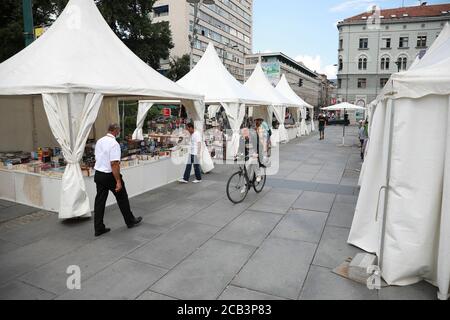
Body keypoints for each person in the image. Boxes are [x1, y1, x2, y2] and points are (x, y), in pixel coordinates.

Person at [93, 124, 142, 237]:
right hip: (109, 175)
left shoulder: (100, 141)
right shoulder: (114, 144)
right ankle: (130, 221)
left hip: (99, 174)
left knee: (99, 202)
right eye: (119, 130)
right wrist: (118, 181)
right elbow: (114, 164)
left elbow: (97, 157)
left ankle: (98, 228)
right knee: (122, 198)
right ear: (116, 131)